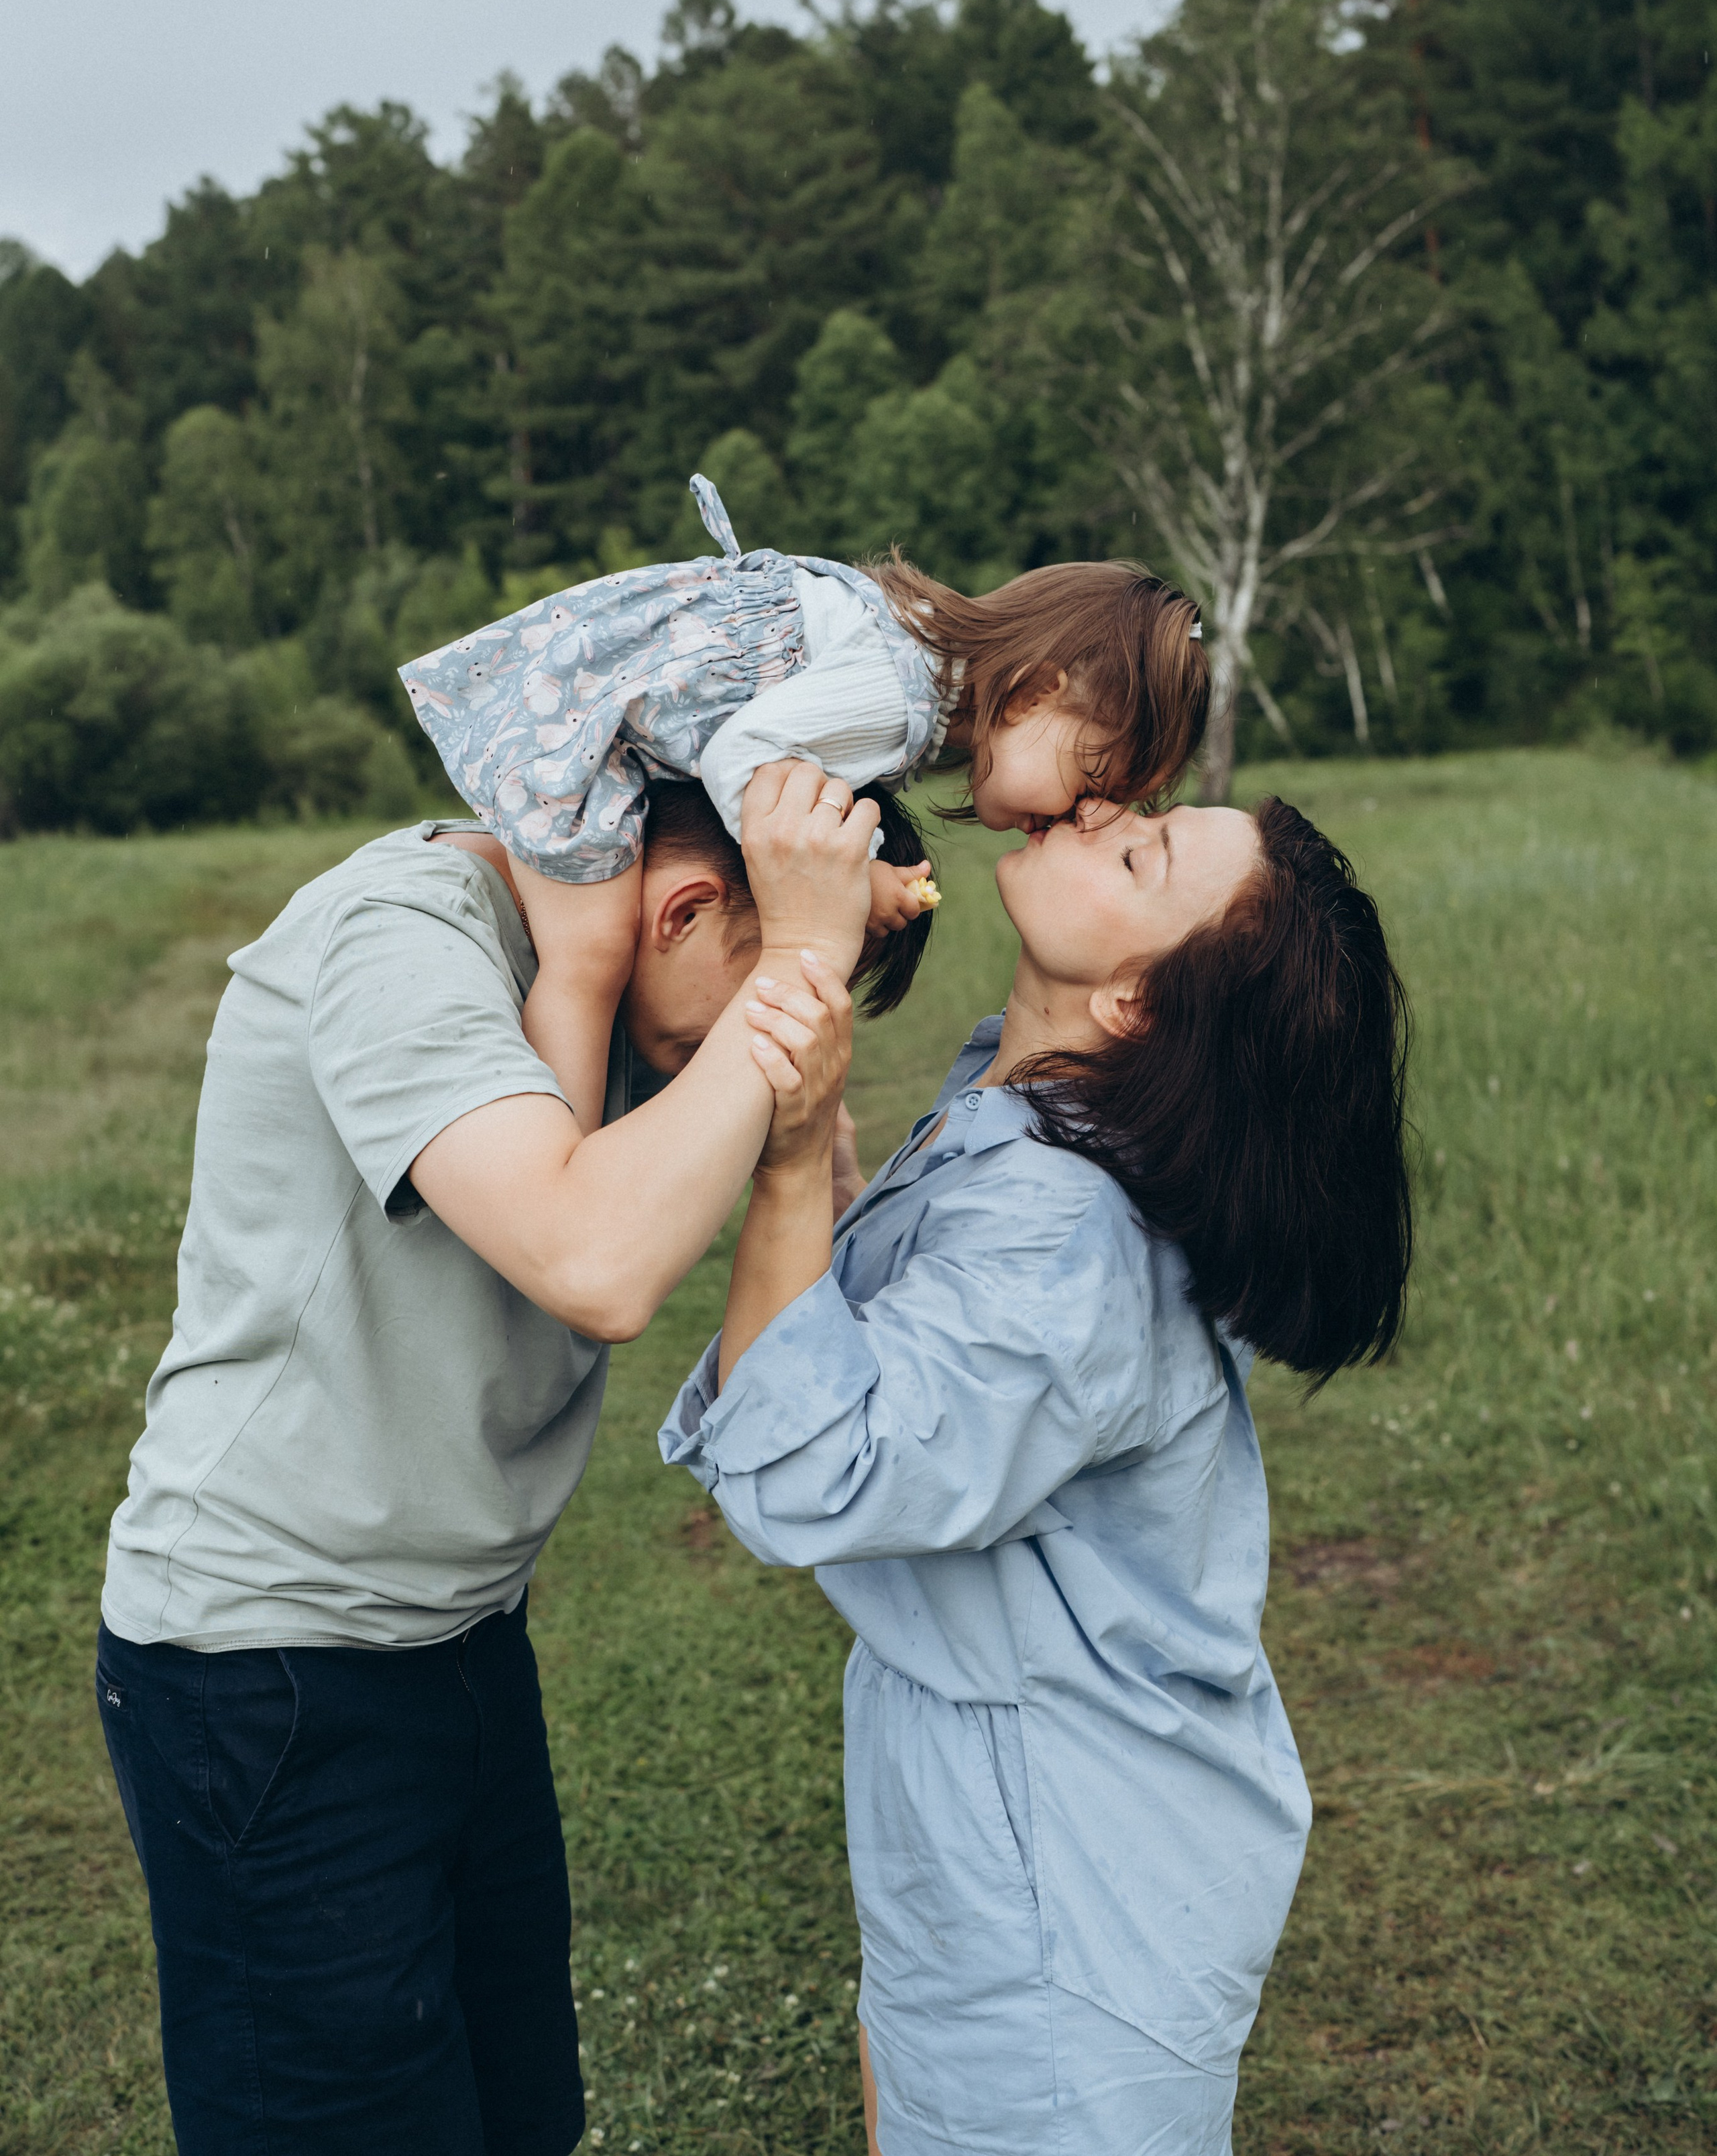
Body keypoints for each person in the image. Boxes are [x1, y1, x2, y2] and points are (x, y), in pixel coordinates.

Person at [96, 761, 882, 2156]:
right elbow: (590, 1257)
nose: (739, 1064)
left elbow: (802, 1249)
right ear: (688, 903)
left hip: (457, 1636)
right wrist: (797, 956)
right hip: (269, 1665)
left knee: (518, 2117)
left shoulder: (625, 959)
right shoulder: (404, 935)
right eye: (760, 990)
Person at [662, 791, 1413, 2155]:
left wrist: (782, 1173)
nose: (1105, 810)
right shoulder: (1016, 1102)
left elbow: (812, 1471)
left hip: (1064, 1859)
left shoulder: (1064, 1232)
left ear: (1130, 1002)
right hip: (1002, 1801)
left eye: (1140, 854)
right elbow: (901, 1348)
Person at [399, 473, 1207, 1135]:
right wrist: (852, 876)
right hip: (574, 723)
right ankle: (557, 1177)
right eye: (1089, 783)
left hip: (588, 708)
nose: (1076, 818)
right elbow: (740, 756)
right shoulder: (898, 694)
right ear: (1035, 694)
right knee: (592, 956)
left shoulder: (911, 652)